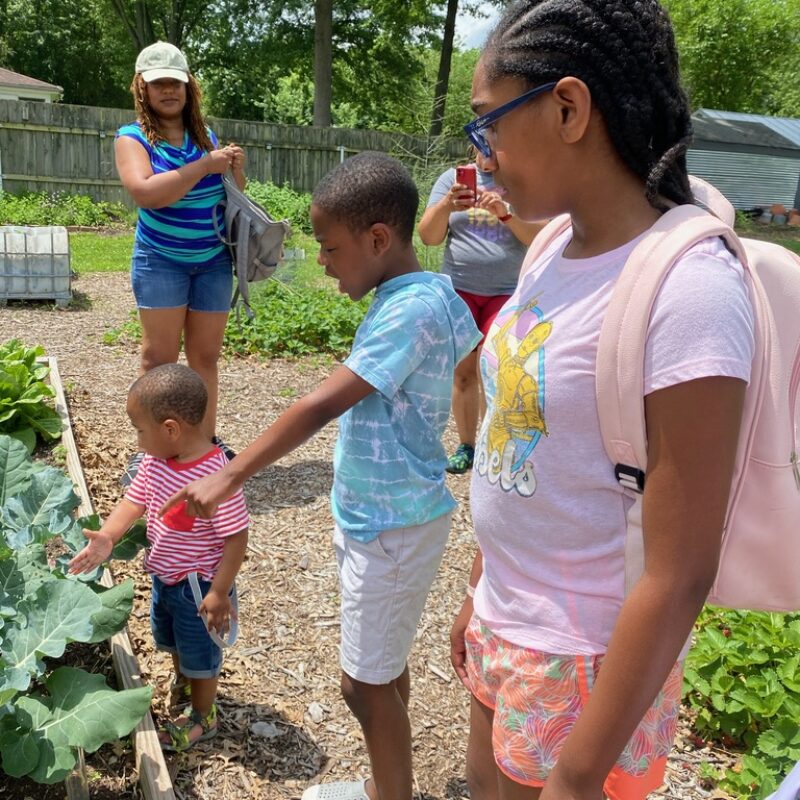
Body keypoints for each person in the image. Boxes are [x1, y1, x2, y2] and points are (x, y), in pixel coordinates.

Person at [448, 2, 755, 799]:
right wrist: (482, 588)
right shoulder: (552, 241)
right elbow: (530, 447)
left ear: (568, 107)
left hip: (584, 658)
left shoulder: (689, 288)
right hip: (507, 621)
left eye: (488, 125)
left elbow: (682, 568)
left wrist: (580, 774)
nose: (481, 155)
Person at [160, 152, 481, 800]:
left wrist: (230, 475)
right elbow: (469, 360)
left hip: (390, 524)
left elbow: (320, 403)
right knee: (382, 671)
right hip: (396, 515)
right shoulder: (432, 293)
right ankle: (386, 784)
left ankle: (387, 795)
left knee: (359, 685)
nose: (325, 262)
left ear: (378, 239)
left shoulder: (408, 310)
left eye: (331, 248)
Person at [69, 363, 249, 752]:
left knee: (202, 652)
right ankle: (185, 680)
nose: (137, 442)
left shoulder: (217, 478)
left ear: (170, 429)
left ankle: (204, 715)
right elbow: (134, 500)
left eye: (139, 430)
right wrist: (108, 537)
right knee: (174, 641)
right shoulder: (157, 462)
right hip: (164, 579)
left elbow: (236, 538)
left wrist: (219, 593)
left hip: (199, 589)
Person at [115, 41, 245, 476]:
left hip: (212, 262)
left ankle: (202, 448)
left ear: (189, 87)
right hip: (161, 260)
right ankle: (152, 454)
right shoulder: (131, 138)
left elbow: (231, 198)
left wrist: (232, 170)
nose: (168, 90)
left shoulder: (204, 137)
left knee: (205, 360)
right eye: (158, 83)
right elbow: (147, 193)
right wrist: (204, 166)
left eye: (176, 82)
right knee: (159, 361)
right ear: (142, 89)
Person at [418, 153, 544, 474]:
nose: (488, 153)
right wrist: (447, 204)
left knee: (496, 371)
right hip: (460, 289)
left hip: (505, 292)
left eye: (495, 143)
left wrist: (505, 214)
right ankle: (467, 446)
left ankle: (493, 445)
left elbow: (539, 237)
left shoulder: (520, 181)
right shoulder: (452, 180)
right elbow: (428, 237)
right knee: (463, 373)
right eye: (482, 144)